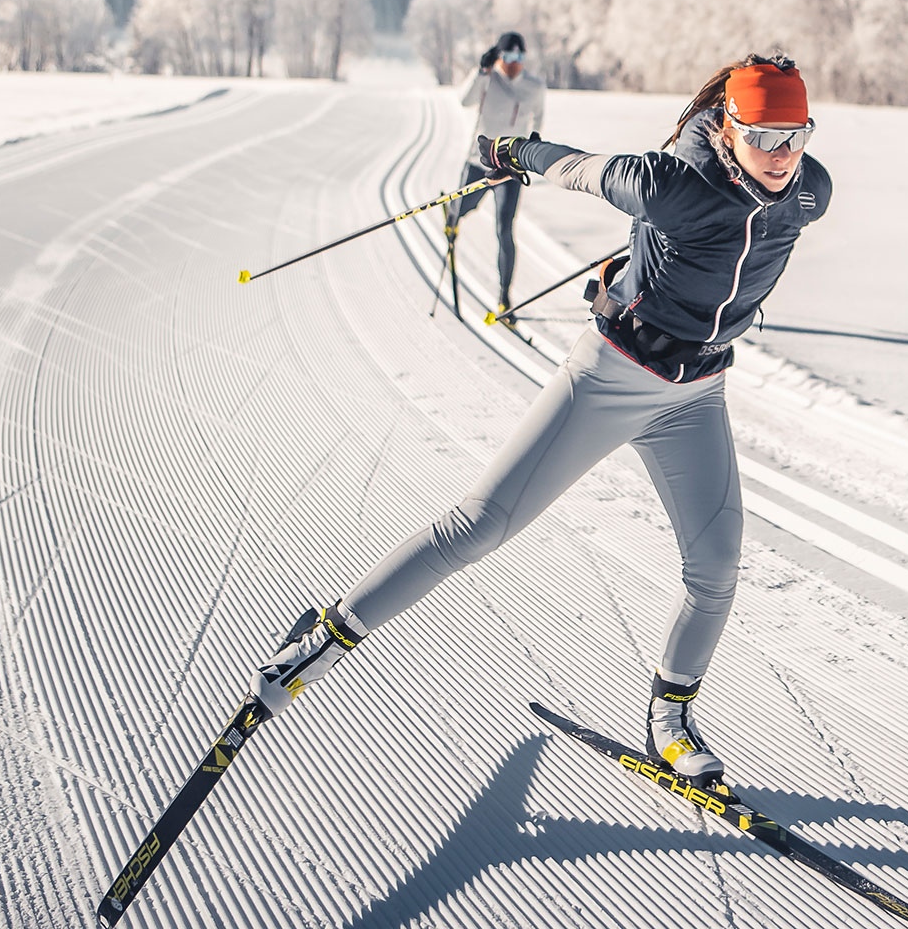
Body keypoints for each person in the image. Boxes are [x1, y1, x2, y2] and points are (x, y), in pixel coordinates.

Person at [250, 55, 828, 786]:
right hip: (612, 376)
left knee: (715, 569)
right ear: (727, 129)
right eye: (765, 136)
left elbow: (744, 243)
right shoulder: (671, 185)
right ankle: (325, 637)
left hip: (696, 395)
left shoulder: (810, 192)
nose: (782, 154)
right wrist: (509, 152)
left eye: (796, 135)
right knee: (480, 525)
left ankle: (670, 719)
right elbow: (580, 168)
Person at [449, 31, 545, 314]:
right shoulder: (488, 79)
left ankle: (504, 297)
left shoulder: (534, 86)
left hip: (510, 169)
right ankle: (452, 218)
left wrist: (535, 142)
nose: (514, 63)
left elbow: (539, 118)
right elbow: (464, 101)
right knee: (464, 207)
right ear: (499, 57)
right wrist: (480, 71)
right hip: (479, 162)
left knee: (504, 228)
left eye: (519, 56)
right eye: (509, 56)